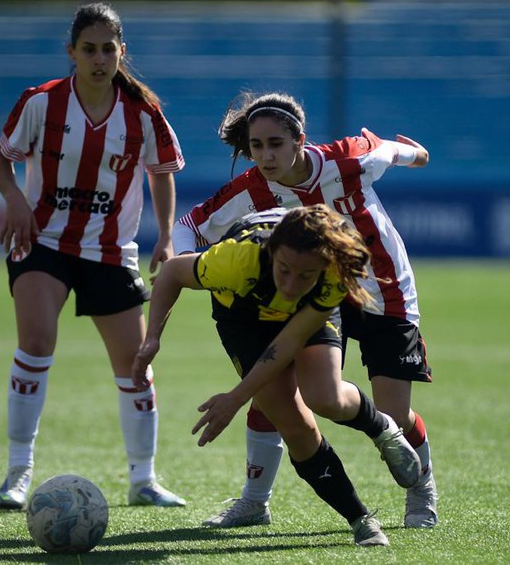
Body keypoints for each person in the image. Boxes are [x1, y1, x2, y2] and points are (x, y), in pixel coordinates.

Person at [172, 91, 438, 529]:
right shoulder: (251, 189)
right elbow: (190, 227)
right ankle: (254, 502)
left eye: (275, 144)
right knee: (274, 387)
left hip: (382, 290)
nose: (266, 156)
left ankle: (420, 490)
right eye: (257, 146)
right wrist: (188, 266)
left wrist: (419, 154)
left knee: (393, 413)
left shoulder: (347, 160)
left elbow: (392, 151)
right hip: (310, 294)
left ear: (300, 140)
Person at [0, 1, 186, 510]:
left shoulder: (143, 113)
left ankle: (143, 479)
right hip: (44, 242)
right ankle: (17, 472)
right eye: (89, 49)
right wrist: (15, 200)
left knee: (136, 367)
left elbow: (161, 173)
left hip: (110, 250)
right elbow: (2, 160)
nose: (99, 59)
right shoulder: (41, 103)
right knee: (35, 343)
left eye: (108, 50)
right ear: (71, 52)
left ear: (122, 53)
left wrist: (165, 236)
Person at [132, 204, 421, 546]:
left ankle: (382, 429)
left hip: (302, 319)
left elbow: (290, 341)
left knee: (325, 397)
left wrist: (236, 398)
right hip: (243, 318)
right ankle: (361, 520)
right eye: (284, 270)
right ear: (271, 253)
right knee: (294, 422)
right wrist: (152, 339)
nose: (291, 284)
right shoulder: (237, 259)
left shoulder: (337, 269)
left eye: (305, 275)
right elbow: (172, 274)